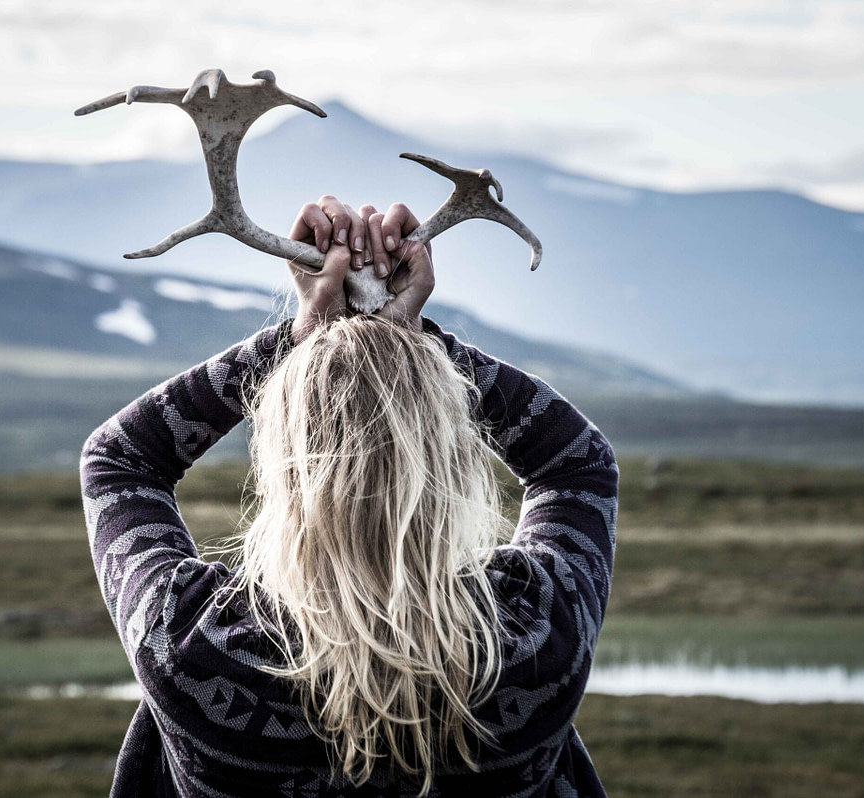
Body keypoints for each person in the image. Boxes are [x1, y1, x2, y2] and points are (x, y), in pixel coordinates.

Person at [80, 196, 619, 797]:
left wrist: (302, 336)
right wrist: (411, 340)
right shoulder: (535, 635)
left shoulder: (193, 643)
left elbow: (120, 460)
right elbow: (578, 464)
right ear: (448, 459)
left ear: (286, 463)